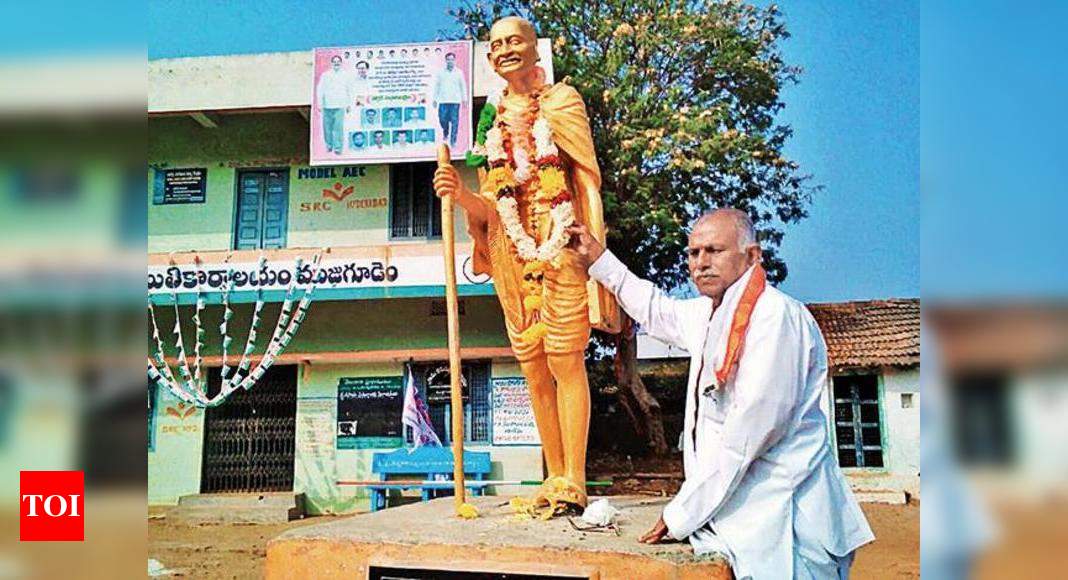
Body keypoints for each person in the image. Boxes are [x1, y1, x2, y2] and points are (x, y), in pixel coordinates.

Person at [565, 209, 875, 579]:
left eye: (714, 250)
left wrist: (681, 513)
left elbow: (748, 435)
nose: (701, 263)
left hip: (787, 524)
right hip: (740, 524)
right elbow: (653, 308)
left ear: (753, 256)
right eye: (694, 253)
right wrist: (597, 257)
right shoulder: (706, 315)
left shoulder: (775, 317)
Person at [433, 16, 619, 510]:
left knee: (564, 357)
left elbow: (585, 178)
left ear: (536, 50)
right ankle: (553, 475)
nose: (506, 50)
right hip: (511, 249)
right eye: (496, 45)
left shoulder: (562, 101)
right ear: (490, 59)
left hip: (560, 240)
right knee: (533, 365)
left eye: (516, 40)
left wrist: (583, 242)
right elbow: (494, 206)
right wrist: (460, 196)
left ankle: (574, 480)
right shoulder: (491, 120)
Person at [316, 55, 352, 154]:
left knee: (338, 128)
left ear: (341, 63)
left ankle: (338, 148)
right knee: (327, 128)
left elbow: (349, 90)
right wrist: (319, 103)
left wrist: (349, 104)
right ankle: (328, 146)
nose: (336, 63)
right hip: (327, 105)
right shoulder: (325, 75)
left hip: (340, 105)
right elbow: (320, 89)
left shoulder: (345, 75)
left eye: (338, 61)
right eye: (334, 61)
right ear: (331, 63)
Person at [432, 52, 467, 147]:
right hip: (443, 100)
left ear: (454, 61)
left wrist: (465, 100)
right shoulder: (441, 72)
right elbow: (437, 86)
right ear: (446, 60)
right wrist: (435, 99)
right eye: (448, 59)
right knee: (443, 119)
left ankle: (453, 141)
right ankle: (445, 132)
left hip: (455, 101)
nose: (450, 61)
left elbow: (463, 86)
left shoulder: (459, 72)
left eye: (452, 59)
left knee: (455, 122)